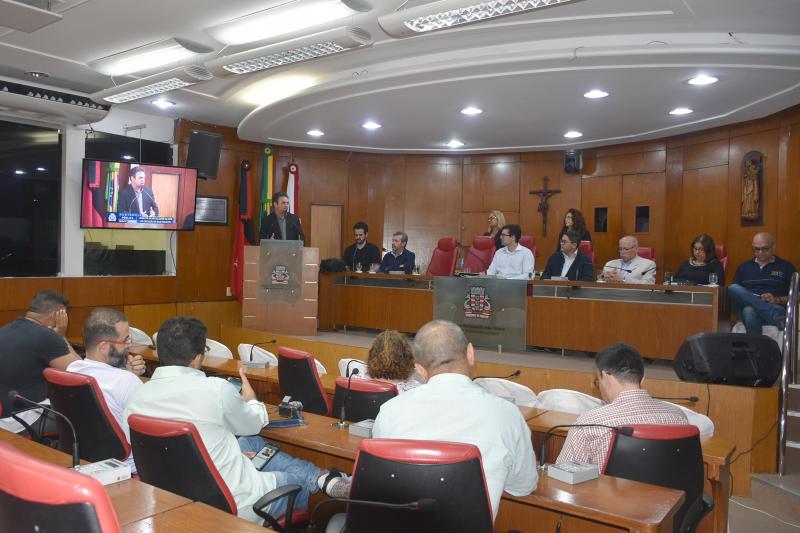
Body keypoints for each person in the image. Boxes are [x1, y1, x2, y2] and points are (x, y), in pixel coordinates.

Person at [122, 317, 330, 525]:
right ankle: (317, 483)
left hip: (172, 497)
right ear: (197, 357)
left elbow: (164, 450)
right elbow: (254, 424)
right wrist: (251, 400)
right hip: (233, 504)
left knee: (252, 444)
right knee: (296, 483)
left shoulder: (135, 399)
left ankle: (321, 477)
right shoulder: (216, 390)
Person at [325, 320, 537, 521]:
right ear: (470, 353)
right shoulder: (508, 415)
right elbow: (523, 487)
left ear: (419, 368)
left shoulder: (390, 411)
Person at [556, 343, 687, 466]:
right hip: (668, 491)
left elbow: (563, 476)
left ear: (606, 377)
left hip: (608, 491)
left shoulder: (588, 423)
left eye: (598, 380)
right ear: (643, 379)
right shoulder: (679, 417)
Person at [67, 308, 145, 471]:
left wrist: (126, 373)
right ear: (103, 347)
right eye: (125, 340)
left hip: (86, 456)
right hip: (127, 465)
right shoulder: (127, 382)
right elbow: (146, 436)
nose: (129, 346)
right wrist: (130, 377)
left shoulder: (72, 369)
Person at [0, 291, 79, 434]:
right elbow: (79, 371)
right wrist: (61, 336)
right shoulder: (45, 336)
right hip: (24, 418)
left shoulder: (4, 330)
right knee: (84, 416)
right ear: (56, 315)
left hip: (5, 414)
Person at [729, 233, 796, 334]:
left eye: (765, 249)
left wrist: (777, 299)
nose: (760, 252)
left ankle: (756, 349)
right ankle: (774, 316)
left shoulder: (786, 267)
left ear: (773, 247)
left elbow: (797, 295)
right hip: (771, 314)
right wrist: (753, 299)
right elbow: (735, 296)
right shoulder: (744, 267)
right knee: (733, 288)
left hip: (775, 306)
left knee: (749, 311)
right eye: (756, 249)